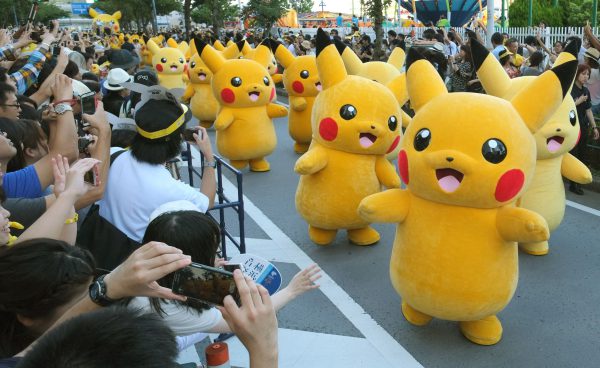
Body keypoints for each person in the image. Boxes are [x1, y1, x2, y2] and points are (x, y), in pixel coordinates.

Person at [127, 203, 321, 350]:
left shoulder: (139, 269)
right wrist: (292, 290)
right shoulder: (172, 308)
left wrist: (208, 266)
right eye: (214, 252)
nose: (218, 255)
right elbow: (245, 319)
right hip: (154, 347)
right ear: (191, 259)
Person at [79, 85, 216, 269]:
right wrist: (209, 158)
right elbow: (207, 201)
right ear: (176, 139)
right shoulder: (171, 189)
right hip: (131, 265)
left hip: (97, 249)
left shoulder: (113, 155)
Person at [569, 63, 600, 195]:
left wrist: (594, 127)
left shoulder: (585, 91)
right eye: (583, 74)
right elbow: (566, 107)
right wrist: (578, 101)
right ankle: (573, 184)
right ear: (577, 74)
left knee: (582, 155)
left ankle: (578, 181)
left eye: (587, 74)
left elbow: (588, 111)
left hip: (583, 126)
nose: (585, 77)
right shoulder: (571, 89)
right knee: (574, 155)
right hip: (572, 127)